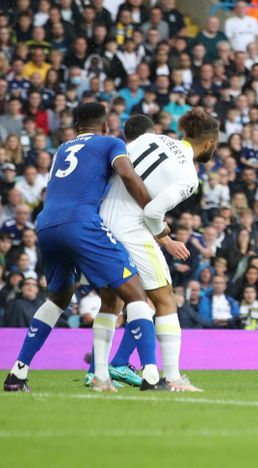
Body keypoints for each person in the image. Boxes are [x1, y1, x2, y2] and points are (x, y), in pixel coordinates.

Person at [4, 102, 156, 393]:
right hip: (81, 222)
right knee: (136, 294)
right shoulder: (111, 142)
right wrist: (151, 210)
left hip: (46, 224)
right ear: (105, 126)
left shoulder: (63, 149)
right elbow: (127, 174)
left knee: (58, 298)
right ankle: (151, 375)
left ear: (76, 128)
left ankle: (18, 372)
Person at [86, 110, 218, 392]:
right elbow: (153, 211)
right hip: (132, 228)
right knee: (165, 299)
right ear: (209, 143)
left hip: (100, 223)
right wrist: (165, 238)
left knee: (112, 300)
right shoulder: (188, 176)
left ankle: (100, 375)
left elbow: (112, 168)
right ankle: (172, 377)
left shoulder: (148, 140)